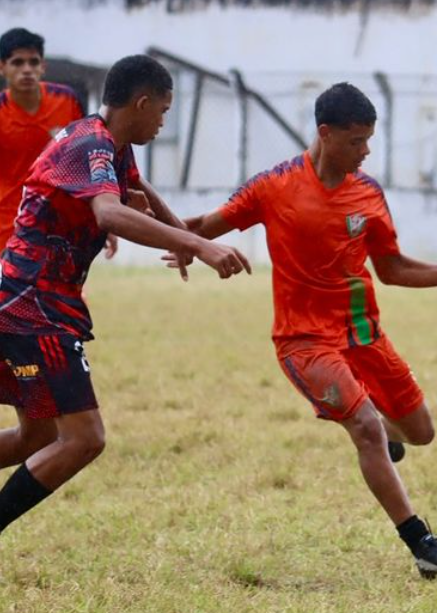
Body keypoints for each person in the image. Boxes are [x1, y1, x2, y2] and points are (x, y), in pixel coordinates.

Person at [181, 82, 437, 578]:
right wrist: (161, 230)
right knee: (367, 430)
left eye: (369, 140)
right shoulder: (274, 185)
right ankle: (422, 545)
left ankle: (377, 431)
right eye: (357, 141)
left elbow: (392, 269)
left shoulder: (368, 194)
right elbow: (206, 222)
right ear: (325, 134)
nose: (366, 151)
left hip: (363, 334)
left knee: (421, 432)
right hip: (304, 341)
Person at [0, 54, 251, 536]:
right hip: (36, 309)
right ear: (141, 103)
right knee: (85, 439)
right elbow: (111, 215)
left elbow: (138, 187)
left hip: (26, 301)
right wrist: (198, 242)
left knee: (36, 436)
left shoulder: (108, 142)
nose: (162, 121)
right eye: (162, 111)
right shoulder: (92, 143)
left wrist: (183, 240)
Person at [0, 27, 118, 257]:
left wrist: (103, 217)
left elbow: (88, 161)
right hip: (5, 227)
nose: (27, 70)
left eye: (33, 62)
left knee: (61, 291)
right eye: (17, 62)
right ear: (2, 67)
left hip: (56, 225)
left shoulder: (67, 101)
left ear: (43, 66)